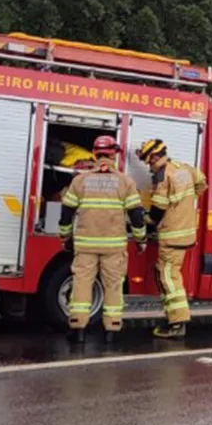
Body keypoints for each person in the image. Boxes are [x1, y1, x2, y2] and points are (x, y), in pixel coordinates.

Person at [58, 136, 147, 344]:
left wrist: (65, 235)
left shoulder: (80, 180)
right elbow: (136, 214)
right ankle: (112, 329)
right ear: (114, 154)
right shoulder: (125, 182)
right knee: (113, 286)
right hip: (113, 246)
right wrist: (140, 238)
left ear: (94, 153)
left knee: (81, 284)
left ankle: (78, 328)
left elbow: (66, 212)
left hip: (85, 245)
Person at [137, 138, 208, 339]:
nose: (149, 167)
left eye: (148, 162)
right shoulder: (184, 167)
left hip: (171, 236)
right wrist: (185, 204)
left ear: (155, 157)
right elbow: (202, 183)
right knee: (168, 274)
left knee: (168, 277)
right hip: (186, 233)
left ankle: (177, 323)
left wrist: (146, 222)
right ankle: (174, 318)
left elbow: (158, 210)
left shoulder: (163, 176)